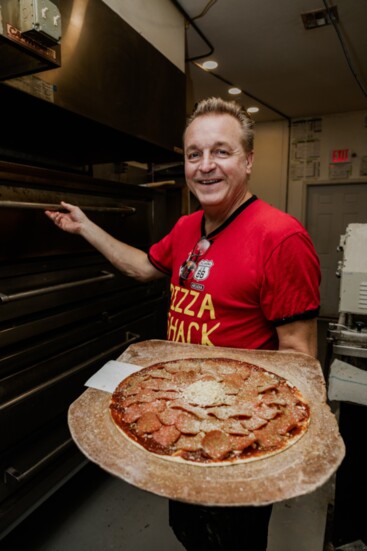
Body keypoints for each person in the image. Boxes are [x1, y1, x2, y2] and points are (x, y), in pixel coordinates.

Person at [45, 96, 321, 551]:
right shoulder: (188, 226)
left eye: (221, 151)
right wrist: (86, 228)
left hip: (235, 434)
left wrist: (261, 446)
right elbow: (142, 266)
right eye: (194, 154)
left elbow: (299, 359)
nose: (205, 166)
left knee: (230, 543)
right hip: (182, 415)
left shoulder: (281, 238)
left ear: (248, 160)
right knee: (190, 532)